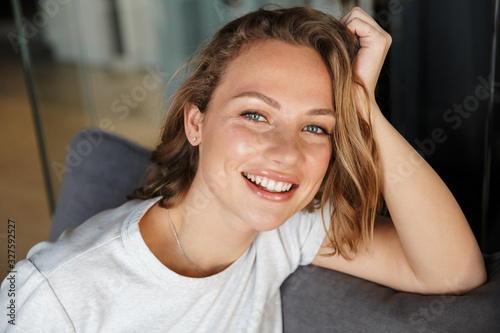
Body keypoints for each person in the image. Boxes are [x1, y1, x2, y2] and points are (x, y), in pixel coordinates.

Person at [1, 6, 486, 332]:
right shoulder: (55, 293)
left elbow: (453, 272)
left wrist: (363, 109)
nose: (285, 154)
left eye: (317, 128)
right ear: (196, 121)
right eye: (255, 115)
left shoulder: (282, 230)